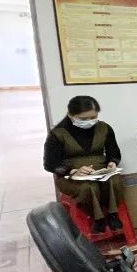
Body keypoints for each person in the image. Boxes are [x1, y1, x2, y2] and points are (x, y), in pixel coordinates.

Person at [43, 95, 126, 233]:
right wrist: (72, 171)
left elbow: (114, 152)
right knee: (89, 187)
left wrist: (112, 162)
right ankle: (98, 219)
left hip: (100, 170)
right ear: (71, 115)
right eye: (83, 119)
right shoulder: (57, 134)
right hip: (70, 175)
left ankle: (113, 214)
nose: (89, 121)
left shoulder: (104, 128)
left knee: (115, 181)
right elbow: (50, 164)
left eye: (93, 117)